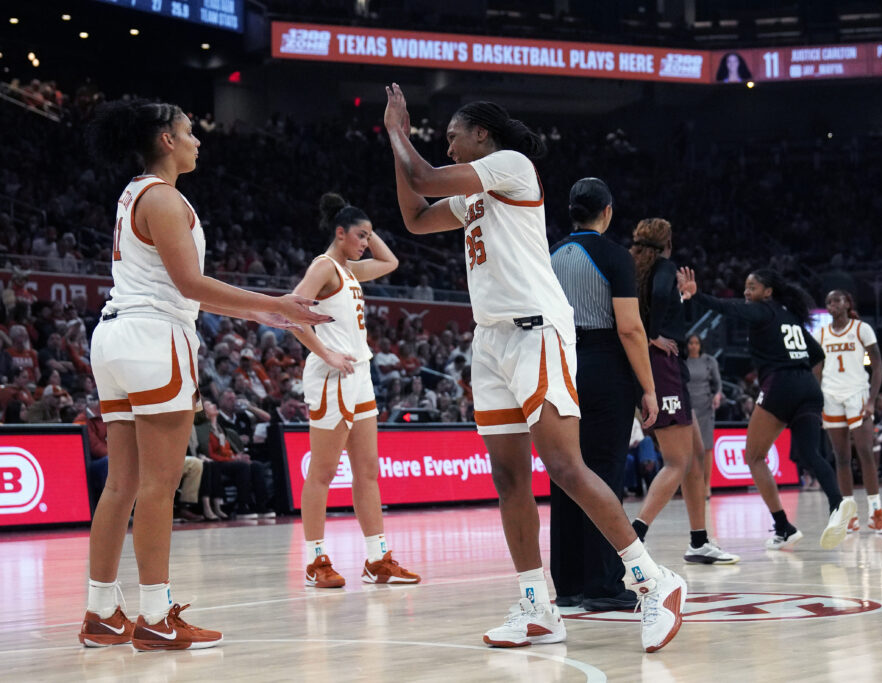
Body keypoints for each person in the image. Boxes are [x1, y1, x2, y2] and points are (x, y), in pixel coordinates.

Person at [384, 84, 685, 653]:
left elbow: (423, 178)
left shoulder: (511, 166)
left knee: (566, 468)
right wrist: (393, 141)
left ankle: (653, 581)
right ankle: (536, 605)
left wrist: (401, 131)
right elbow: (416, 216)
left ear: (482, 134)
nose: (448, 148)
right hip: (492, 340)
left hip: (536, 332)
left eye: (453, 137)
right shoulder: (474, 194)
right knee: (509, 478)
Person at [79, 99, 329, 651]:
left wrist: (261, 311)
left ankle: (100, 612)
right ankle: (154, 615)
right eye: (190, 132)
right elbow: (191, 285)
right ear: (166, 140)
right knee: (158, 487)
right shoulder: (165, 198)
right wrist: (280, 304)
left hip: (116, 336)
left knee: (119, 486)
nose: (198, 141)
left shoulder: (132, 194)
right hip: (152, 339)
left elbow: (181, 288)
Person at [291, 192, 420, 588]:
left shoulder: (349, 270)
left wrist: (368, 229)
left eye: (368, 236)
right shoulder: (324, 266)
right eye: (360, 236)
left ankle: (377, 560)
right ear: (339, 233)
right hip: (333, 375)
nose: (366, 243)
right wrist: (326, 352)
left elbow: (391, 262)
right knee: (324, 473)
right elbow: (292, 313)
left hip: (359, 374)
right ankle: (315, 561)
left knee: (366, 472)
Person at [678, 267, 855, 550]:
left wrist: (698, 296)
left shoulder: (762, 311)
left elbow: (729, 308)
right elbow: (818, 354)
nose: (747, 292)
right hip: (809, 387)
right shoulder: (790, 317)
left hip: (781, 385)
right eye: (745, 287)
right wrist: (810, 385)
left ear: (767, 292)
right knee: (811, 454)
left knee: (754, 456)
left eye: (752, 287)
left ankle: (783, 527)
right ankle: (838, 503)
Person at [548, 177, 659, 611]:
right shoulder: (615, 256)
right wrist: (648, 389)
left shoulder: (550, 254)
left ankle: (570, 584)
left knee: (566, 473)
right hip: (603, 363)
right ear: (608, 211)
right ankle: (604, 584)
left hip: (559, 361)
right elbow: (630, 328)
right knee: (604, 474)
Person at [627, 219, 739, 566]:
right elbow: (660, 302)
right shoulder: (664, 266)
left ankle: (699, 542)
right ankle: (632, 539)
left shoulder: (634, 268)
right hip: (662, 366)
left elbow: (668, 312)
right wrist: (653, 334)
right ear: (668, 244)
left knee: (695, 456)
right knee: (677, 462)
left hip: (662, 365)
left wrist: (687, 298)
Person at [817, 290, 882, 534]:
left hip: (857, 394)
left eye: (836, 300)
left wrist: (871, 400)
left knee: (866, 453)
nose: (832, 304)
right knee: (841, 458)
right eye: (828, 301)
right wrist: (816, 399)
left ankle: (876, 513)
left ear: (848, 303)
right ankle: (850, 515)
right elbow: (816, 370)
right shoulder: (821, 334)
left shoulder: (861, 329)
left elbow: (877, 366)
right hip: (830, 396)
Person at [685, 334, 722, 500]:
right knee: (689, 449)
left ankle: (707, 486)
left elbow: (718, 384)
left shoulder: (710, 361)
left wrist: (717, 395)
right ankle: (692, 485)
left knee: (707, 448)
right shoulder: (682, 361)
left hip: (706, 407)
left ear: (701, 345)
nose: (693, 346)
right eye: (690, 343)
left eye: (696, 343)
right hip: (687, 408)